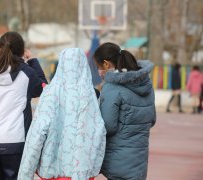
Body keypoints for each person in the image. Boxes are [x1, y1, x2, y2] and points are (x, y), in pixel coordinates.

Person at [18, 48, 106, 180]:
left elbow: (37, 133)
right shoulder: (92, 96)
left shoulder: (49, 93)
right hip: (81, 171)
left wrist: (25, 173)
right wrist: (94, 166)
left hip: (51, 169)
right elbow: (99, 133)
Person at [0, 31, 47, 180]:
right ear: (21, 51)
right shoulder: (27, 74)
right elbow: (43, 89)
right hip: (16, 141)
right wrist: (32, 60)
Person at [94, 42, 156, 180]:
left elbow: (108, 126)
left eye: (98, 67)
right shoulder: (146, 84)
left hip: (118, 161)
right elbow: (152, 120)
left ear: (106, 64)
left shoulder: (112, 88)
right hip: (139, 163)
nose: (98, 71)